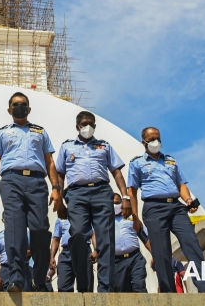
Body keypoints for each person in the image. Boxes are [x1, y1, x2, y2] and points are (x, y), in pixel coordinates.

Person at [0, 92, 62, 292]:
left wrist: (56, 188)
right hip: (11, 181)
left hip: (37, 181)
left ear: (29, 108)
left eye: (23, 104)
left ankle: (39, 276)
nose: (19, 106)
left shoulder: (40, 132)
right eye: (15, 104)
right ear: (9, 109)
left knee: (39, 230)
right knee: (15, 232)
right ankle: (16, 279)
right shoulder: (2, 133)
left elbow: (50, 162)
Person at [127, 127, 205, 293]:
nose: (156, 142)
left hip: (176, 207)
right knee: (161, 253)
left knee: (192, 245)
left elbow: (181, 184)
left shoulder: (170, 160)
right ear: (143, 142)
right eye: (152, 139)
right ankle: (169, 292)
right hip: (154, 207)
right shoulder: (137, 163)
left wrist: (188, 200)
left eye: (158, 138)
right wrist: (135, 217)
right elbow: (131, 191)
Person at [55, 111, 130, 292]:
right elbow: (59, 174)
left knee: (105, 239)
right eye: (84, 124)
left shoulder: (104, 146)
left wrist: (125, 196)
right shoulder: (67, 147)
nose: (88, 127)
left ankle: (105, 287)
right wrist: (58, 200)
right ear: (77, 126)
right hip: (76, 193)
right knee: (79, 234)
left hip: (102, 191)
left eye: (91, 124)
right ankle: (83, 280)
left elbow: (117, 172)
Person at [112, 193, 151, 293]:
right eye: (112, 203)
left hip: (135, 258)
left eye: (117, 203)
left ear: (122, 204)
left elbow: (145, 238)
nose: (114, 205)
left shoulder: (132, 218)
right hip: (117, 262)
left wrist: (155, 255)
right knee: (121, 291)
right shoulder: (105, 221)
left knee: (139, 286)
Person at [49, 207, 95, 292]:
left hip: (83, 251)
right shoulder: (60, 219)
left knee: (86, 287)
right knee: (63, 287)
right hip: (66, 253)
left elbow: (93, 234)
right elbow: (56, 239)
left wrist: (96, 250)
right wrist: (52, 257)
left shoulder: (85, 216)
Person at [0, 212, 34, 292]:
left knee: (25, 296)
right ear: (3, 220)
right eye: (6, 219)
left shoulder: (26, 235)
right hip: (5, 269)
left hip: (23, 268)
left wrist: (24, 253)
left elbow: (36, 250)